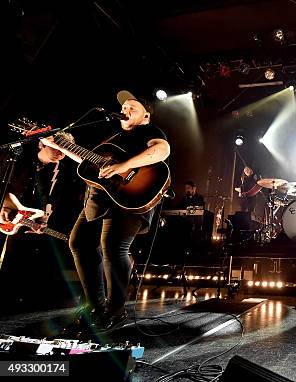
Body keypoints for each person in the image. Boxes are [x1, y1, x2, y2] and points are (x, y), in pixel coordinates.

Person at [42, 90, 170, 333]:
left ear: (145, 117)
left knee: (113, 246)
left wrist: (125, 165)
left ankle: (116, 309)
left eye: (133, 107)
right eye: (125, 107)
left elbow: (162, 151)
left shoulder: (149, 132)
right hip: (100, 197)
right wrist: (55, 143)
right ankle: (95, 304)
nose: (126, 109)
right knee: (79, 242)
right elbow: (86, 162)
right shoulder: (110, 138)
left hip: (130, 196)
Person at [0, 133, 74, 308]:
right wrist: (3, 204)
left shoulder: (61, 173)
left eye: (66, 149)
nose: (62, 153)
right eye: (57, 147)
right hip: (5, 213)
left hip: (21, 225)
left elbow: (53, 201)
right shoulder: (17, 160)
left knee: (21, 268)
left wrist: (42, 221)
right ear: (43, 144)